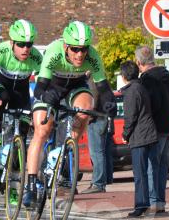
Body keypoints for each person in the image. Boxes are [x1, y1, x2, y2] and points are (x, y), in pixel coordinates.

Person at [25, 21, 115, 208]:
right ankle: (31, 185)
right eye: (75, 49)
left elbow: (103, 88)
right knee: (42, 131)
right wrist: (46, 97)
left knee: (85, 109)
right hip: (52, 86)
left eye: (84, 49)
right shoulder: (54, 51)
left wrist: (109, 103)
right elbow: (39, 87)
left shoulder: (93, 57)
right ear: (66, 46)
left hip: (76, 86)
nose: (80, 54)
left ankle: (66, 150)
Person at [0, 19, 43, 188]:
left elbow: (43, 86)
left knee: (21, 134)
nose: (25, 49)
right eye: (21, 44)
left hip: (21, 91)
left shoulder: (36, 56)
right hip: (1, 85)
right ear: (12, 42)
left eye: (29, 45)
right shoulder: (1, 51)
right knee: (2, 99)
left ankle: (14, 179)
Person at [135, 45, 169, 213]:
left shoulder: (147, 79)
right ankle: (160, 201)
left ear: (138, 62)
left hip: (154, 129)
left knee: (152, 165)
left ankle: (154, 202)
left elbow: (150, 105)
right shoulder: (167, 75)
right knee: (162, 166)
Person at [119, 61, 159, 218]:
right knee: (150, 170)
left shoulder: (131, 91)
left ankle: (141, 205)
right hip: (149, 133)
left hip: (140, 136)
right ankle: (151, 202)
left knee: (140, 172)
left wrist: (125, 134)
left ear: (123, 76)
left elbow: (130, 117)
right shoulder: (141, 87)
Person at [81, 77, 115, 194]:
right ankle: (102, 181)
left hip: (96, 118)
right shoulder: (102, 80)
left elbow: (93, 96)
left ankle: (98, 183)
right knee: (102, 152)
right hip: (103, 117)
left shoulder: (91, 79)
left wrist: (89, 114)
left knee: (96, 152)